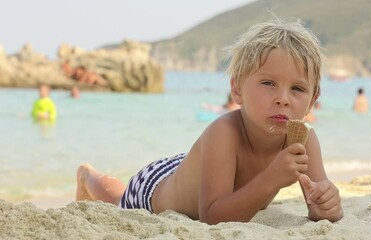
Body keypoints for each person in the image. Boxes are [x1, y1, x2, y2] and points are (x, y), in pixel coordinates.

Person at [76, 18, 343, 224]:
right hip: (153, 191)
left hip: (200, 168)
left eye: (297, 89)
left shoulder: (304, 140)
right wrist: (271, 178)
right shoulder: (225, 133)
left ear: (312, 99)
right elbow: (212, 218)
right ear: (237, 90)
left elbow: (319, 208)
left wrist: (326, 205)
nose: (283, 99)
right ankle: (89, 177)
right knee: (116, 198)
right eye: (268, 83)